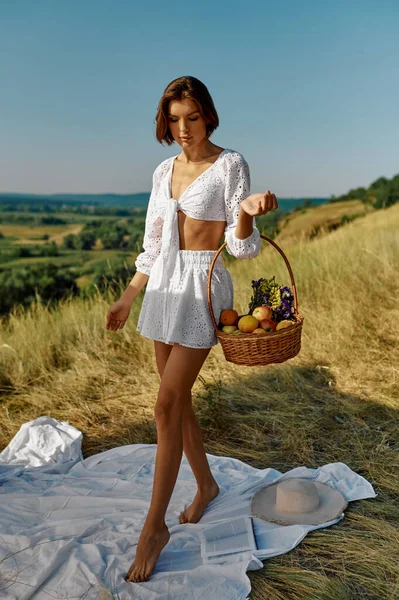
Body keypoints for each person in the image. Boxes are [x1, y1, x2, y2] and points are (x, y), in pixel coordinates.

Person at [105, 75, 278, 583]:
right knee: (176, 405)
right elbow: (154, 245)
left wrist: (245, 215)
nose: (184, 129)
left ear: (208, 115)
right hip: (161, 290)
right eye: (174, 119)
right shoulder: (163, 171)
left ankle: (154, 527)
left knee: (165, 404)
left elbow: (243, 249)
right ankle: (205, 486)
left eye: (192, 117)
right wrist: (128, 295)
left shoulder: (230, 164)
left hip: (202, 288)